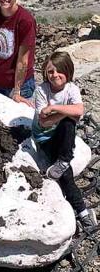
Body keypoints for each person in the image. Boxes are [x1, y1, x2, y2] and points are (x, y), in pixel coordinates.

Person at [33, 51, 97, 228]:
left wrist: (54, 108)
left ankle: (63, 161)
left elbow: (79, 111)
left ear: (67, 71)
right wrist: (66, 112)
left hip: (62, 136)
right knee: (66, 174)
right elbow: (43, 122)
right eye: (50, 72)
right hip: (45, 138)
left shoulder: (71, 89)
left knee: (69, 122)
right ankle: (83, 212)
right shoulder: (41, 90)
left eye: (58, 71)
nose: (54, 76)